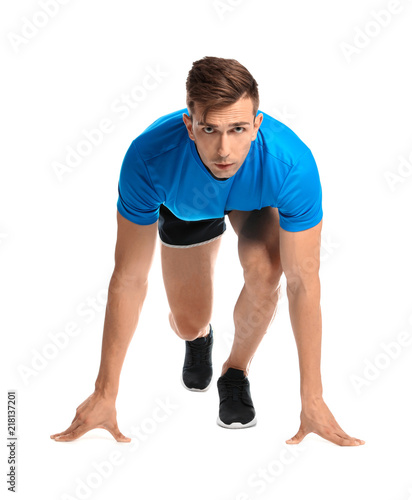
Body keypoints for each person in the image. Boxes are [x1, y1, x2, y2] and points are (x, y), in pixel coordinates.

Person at [51, 56, 365, 446]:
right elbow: (129, 277)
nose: (224, 149)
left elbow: (303, 281)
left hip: (253, 202)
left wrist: (313, 399)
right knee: (187, 321)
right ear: (189, 126)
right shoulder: (148, 160)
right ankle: (199, 338)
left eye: (237, 129)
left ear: (257, 126)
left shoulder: (291, 164)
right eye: (209, 129)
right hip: (187, 206)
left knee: (268, 269)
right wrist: (105, 392)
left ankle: (234, 372)